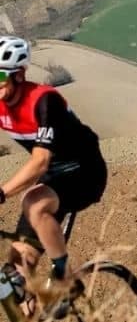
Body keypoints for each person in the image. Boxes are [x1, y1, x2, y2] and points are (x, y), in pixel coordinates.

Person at [0, 36, 107, 296]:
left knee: (34, 203)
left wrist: (2, 192)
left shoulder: (44, 101)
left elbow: (39, 162)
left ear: (19, 75)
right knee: (15, 276)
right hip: (53, 180)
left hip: (85, 172)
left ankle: (64, 275)